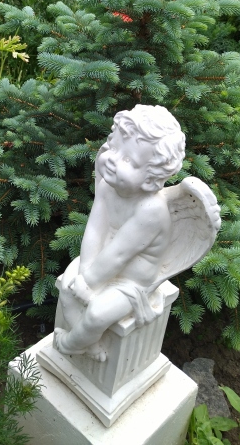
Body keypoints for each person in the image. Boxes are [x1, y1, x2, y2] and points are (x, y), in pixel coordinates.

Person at [54, 105, 186, 362]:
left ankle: (71, 343)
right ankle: (89, 342)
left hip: (130, 283)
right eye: (113, 148)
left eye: (128, 160)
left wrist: (89, 283)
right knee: (68, 291)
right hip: (100, 265)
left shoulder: (151, 210)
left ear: (151, 178)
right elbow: (95, 229)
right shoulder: (108, 186)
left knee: (96, 314)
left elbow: (119, 254)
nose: (112, 160)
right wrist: (84, 274)